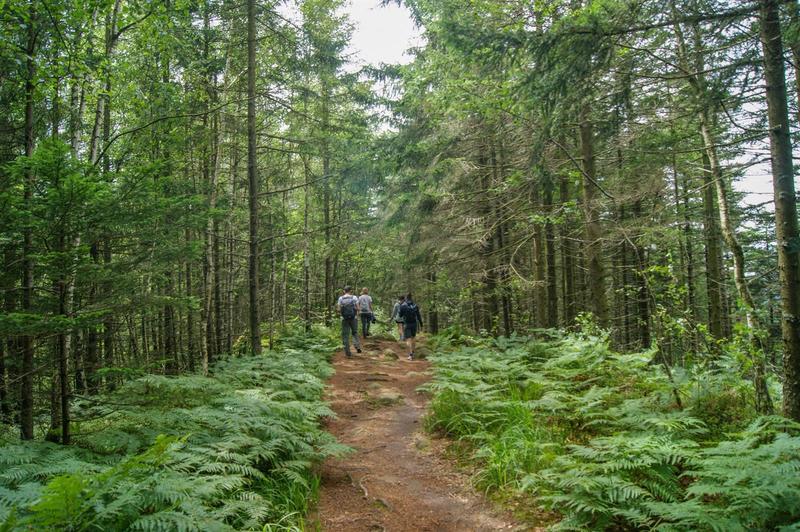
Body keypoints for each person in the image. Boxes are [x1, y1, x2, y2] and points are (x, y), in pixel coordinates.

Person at [336, 286, 362, 357]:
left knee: (345, 335)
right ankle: (357, 346)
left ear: (344, 291)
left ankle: (348, 353)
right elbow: (358, 308)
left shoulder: (341, 298)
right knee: (355, 332)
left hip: (344, 319)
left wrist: (341, 312)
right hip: (354, 318)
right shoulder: (354, 297)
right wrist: (357, 315)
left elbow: (338, 309)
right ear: (351, 291)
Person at [399, 292, 423, 360]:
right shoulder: (415, 305)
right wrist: (421, 324)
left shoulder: (403, 305)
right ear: (411, 297)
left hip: (407, 324)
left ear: (406, 298)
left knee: (408, 339)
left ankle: (410, 354)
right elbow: (418, 315)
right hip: (414, 324)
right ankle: (413, 352)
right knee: (413, 338)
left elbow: (400, 315)